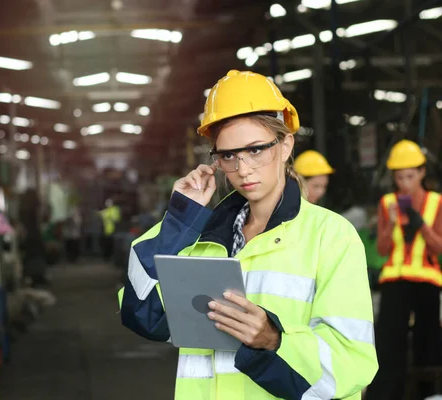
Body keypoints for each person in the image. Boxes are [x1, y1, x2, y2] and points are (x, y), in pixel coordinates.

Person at [118, 70, 377, 399]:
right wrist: (180, 219)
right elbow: (141, 312)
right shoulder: (200, 239)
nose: (242, 169)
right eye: (228, 155)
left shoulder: (331, 237)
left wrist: (274, 340)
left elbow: (352, 364)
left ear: (285, 146)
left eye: (255, 150)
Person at [365, 139, 442, 400]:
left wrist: (421, 224)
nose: (404, 183)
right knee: (388, 343)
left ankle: (428, 394)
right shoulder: (388, 202)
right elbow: (383, 249)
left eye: (410, 176)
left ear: (421, 172)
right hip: (395, 281)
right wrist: (389, 224)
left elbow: (438, 248)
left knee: (428, 343)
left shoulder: (436, 202)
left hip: (427, 282)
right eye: (399, 178)